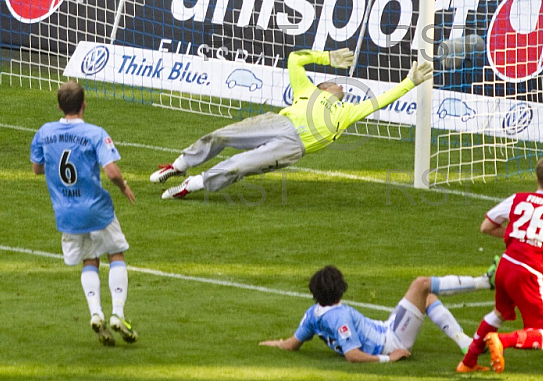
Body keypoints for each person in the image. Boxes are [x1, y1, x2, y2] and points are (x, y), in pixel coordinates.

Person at [150, 48, 433, 199]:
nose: (340, 85)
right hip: (278, 123)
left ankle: (191, 185)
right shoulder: (307, 89)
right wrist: (327, 58)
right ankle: (178, 166)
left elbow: (380, 101)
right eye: (335, 82)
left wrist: (410, 82)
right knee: (221, 135)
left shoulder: (346, 112)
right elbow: (295, 60)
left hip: (292, 147)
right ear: (323, 85)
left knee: (240, 166)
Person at [30, 81, 138, 346]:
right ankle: (118, 314)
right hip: (96, 209)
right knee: (116, 253)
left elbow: (37, 168)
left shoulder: (44, 132)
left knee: (89, 259)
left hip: (66, 214)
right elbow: (111, 171)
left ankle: (95, 313)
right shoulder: (94, 133)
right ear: (84, 105)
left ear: (59, 106)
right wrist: (123, 187)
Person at [457, 155, 543, 374]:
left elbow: (486, 226)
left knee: (499, 313)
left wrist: (517, 237)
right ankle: (501, 341)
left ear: (537, 177)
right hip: (527, 272)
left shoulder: (517, 199)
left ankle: (467, 362)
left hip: (505, 266)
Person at [260, 263, 498, 362]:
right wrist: (389, 357)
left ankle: (466, 342)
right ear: (341, 288)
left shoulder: (312, 313)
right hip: (391, 341)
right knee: (421, 284)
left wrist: (270, 344)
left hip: (386, 327)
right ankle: (485, 282)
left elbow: (291, 344)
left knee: (427, 296)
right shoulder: (339, 317)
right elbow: (352, 354)